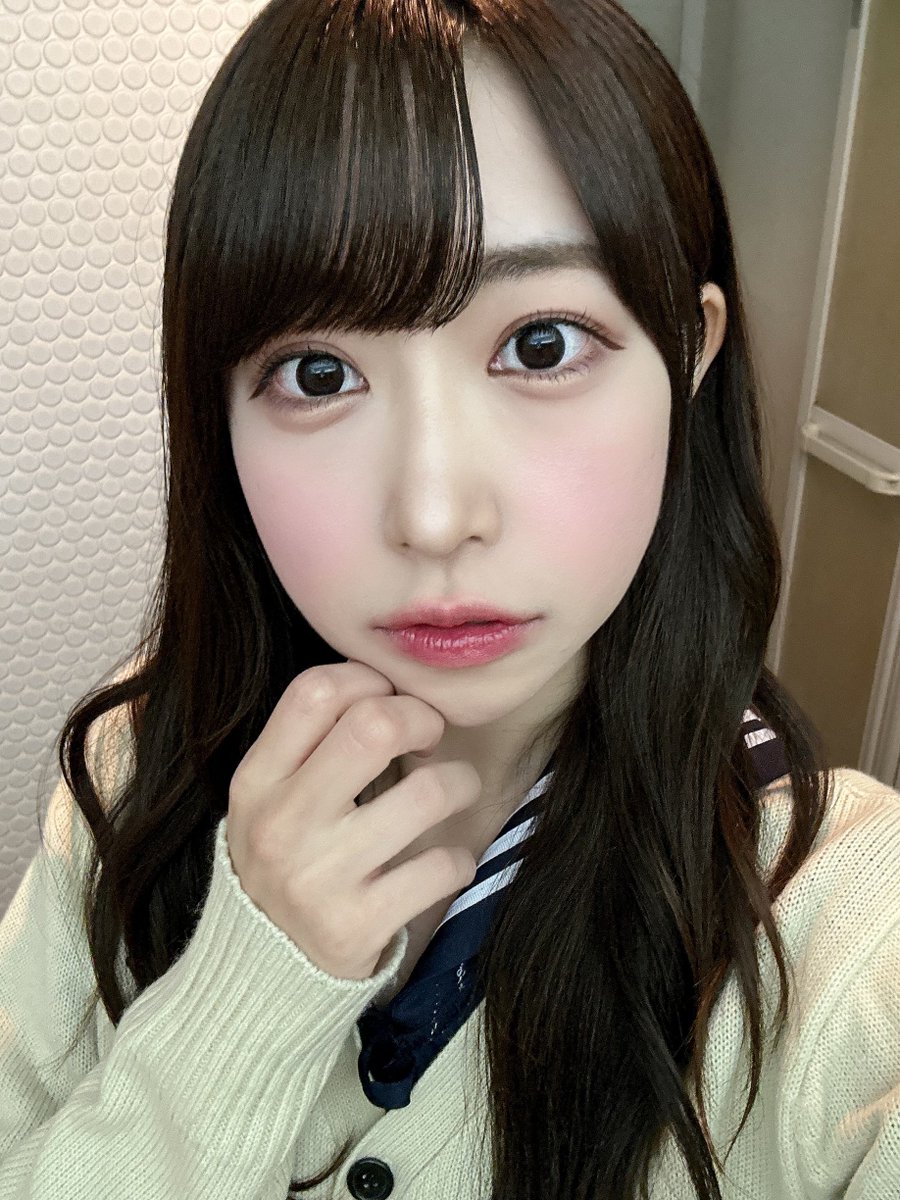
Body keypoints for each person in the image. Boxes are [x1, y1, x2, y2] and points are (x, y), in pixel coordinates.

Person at [2, 1, 899, 1198]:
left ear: (690, 351)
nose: (432, 516)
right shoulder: (140, 767)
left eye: (541, 346)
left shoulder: (852, 944)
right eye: (318, 372)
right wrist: (237, 1004)